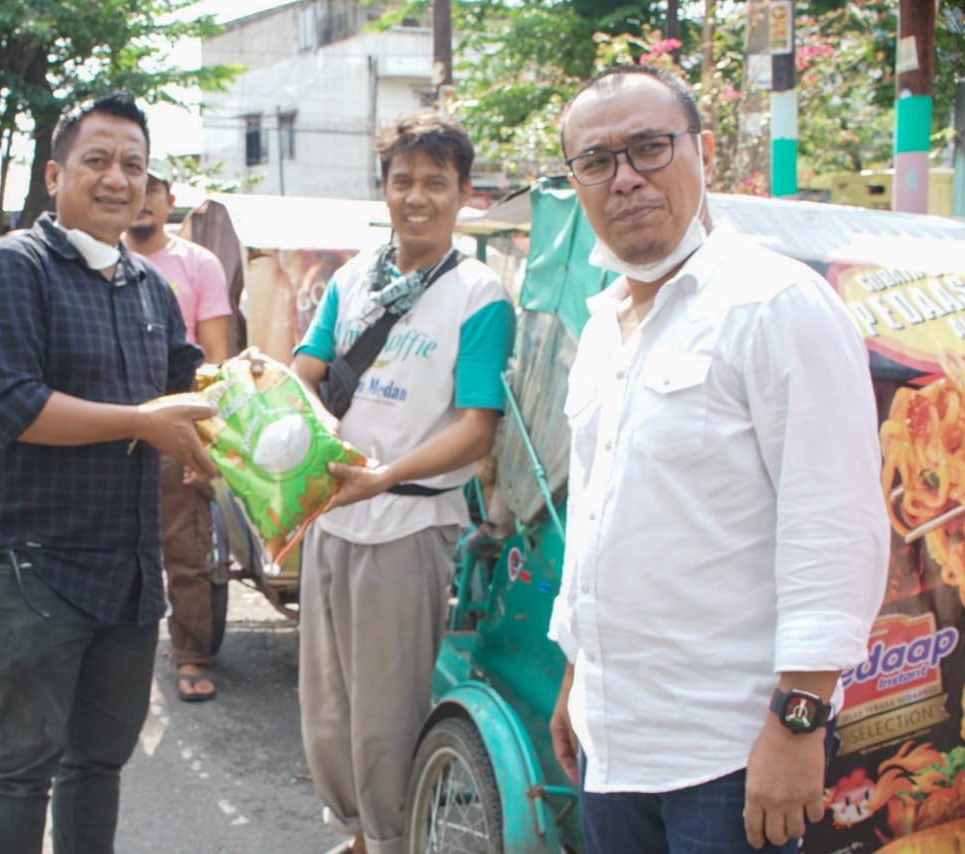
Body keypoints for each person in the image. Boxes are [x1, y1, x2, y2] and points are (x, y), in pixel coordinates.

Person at [546, 65, 889, 853]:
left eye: (649, 148)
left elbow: (834, 529)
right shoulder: (602, 326)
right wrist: (576, 677)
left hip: (733, 756)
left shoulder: (775, 305)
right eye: (597, 161)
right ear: (576, 183)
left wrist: (799, 725)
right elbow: (600, 515)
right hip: (615, 743)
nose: (625, 178)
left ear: (701, 152)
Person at [0, 92, 217, 854]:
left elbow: (189, 383)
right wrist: (141, 423)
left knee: (98, 763)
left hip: (128, 576)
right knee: (19, 768)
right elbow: (12, 405)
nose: (117, 179)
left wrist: (249, 410)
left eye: (133, 165)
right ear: (55, 174)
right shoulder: (15, 266)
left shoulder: (148, 286)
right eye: (97, 160)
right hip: (28, 570)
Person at [291, 110, 514, 854]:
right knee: (328, 701)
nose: (416, 197)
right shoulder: (353, 277)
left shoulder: (480, 296)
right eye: (402, 180)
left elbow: (478, 426)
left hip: (410, 522)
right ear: (383, 188)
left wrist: (384, 475)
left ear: (464, 194)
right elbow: (307, 373)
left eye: (435, 183)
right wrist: (308, 436)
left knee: (386, 707)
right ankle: (353, 832)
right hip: (331, 513)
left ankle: (390, 841)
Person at [125, 167, 233, 703]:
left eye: (153, 191)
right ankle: (115, 648)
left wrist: (203, 439)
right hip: (108, 425)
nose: (141, 200)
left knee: (185, 547)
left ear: (170, 201)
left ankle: (190, 653)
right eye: (135, 189)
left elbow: (214, 362)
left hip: (176, 425)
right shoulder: (97, 259)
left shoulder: (198, 265)